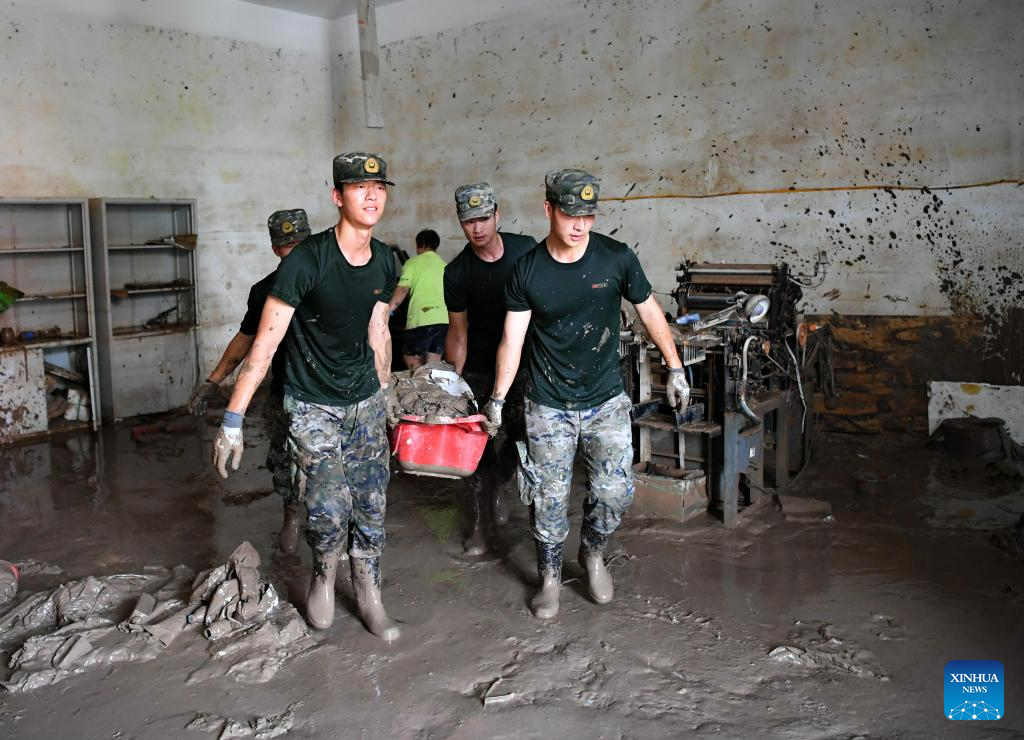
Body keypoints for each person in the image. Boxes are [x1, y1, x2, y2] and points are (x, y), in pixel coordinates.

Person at [483, 169, 689, 619]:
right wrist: (497, 399)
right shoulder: (528, 271)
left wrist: (675, 367)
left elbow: (650, 311)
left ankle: (593, 553)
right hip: (547, 403)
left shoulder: (616, 258)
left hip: (605, 400)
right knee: (548, 498)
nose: (580, 224)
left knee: (614, 491)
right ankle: (549, 578)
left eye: (588, 215)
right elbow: (511, 341)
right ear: (548, 210)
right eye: (570, 213)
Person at [211, 152, 400, 641]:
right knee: (328, 504)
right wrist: (232, 419)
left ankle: (369, 592)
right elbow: (263, 346)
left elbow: (378, 329)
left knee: (372, 501)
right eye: (359, 187)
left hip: (363, 400)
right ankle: (323, 576)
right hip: (311, 402)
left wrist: (386, 390)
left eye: (379, 187)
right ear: (338, 197)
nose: (372, 195)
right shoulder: (305, 261)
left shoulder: (386, 260)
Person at [188, 209, 311, 555]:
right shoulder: (266, 291)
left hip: (324, 392)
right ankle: (294, 518)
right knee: (289, 463)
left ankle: (315, 529)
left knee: (323, 468)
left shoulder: (328, 280)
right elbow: (245, 342)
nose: (294, 253)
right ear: (275, 250)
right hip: (291, 393)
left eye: (299, 246)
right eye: (288, 247)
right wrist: (213, 381)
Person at [443, 183, 536, 555]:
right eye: (469, 221)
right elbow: (458, 333)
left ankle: (500, 480)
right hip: (481, 368)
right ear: (460, 223)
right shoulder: (457, 272)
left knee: (525, 436)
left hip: (526, 365)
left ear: (497, 214)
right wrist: (451, 384)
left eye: (483, 218)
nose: (477, 228)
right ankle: (480, 523)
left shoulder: (526, 251)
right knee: (475, 447)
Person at [388, 229, 448, 369]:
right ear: (436, 245)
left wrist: (388, 310)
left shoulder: (413, 263)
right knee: (433, 363)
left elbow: (403, 289)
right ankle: (431, 382)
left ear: (419, 245)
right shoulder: (445, 265)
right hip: (443, 320)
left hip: (422, 319)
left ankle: (418, 381)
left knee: (411, 356)